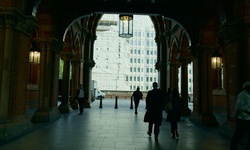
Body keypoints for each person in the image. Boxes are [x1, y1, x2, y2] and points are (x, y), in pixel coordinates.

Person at [230, 81, 250, 150]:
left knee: (245, 132)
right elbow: (239, 107)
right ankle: (233, 146)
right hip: (242, 118)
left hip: (248, 118)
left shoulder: (248, 94)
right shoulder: (242, 95)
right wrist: (248, 112)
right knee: (239, 133)